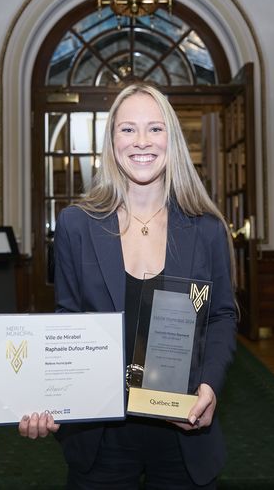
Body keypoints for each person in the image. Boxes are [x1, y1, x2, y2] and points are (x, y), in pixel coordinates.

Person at [19, 83, 238, 489]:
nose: (141, 142)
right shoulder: (76, 225)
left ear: (171, 139)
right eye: (128, 129)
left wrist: (209, 385)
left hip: (182, 425)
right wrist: (46, 395)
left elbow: (222, 315)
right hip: (100, 433)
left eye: (155, 129)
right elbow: (68, 319)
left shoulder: (206, 229)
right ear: (112, 140)